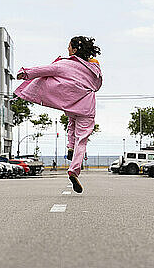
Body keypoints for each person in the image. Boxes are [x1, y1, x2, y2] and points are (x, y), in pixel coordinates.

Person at [14, 36, 102, 193]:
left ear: (75, 50)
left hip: (71, 105)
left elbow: (45, 70)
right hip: (87, 107)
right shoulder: (94, 68)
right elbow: (97, 85)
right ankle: (74, 170)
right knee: (81, 141)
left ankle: (69, 147)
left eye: (69, 47)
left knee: (71, 125)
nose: (67, 49)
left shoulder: (65, 65)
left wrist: (25, 73)